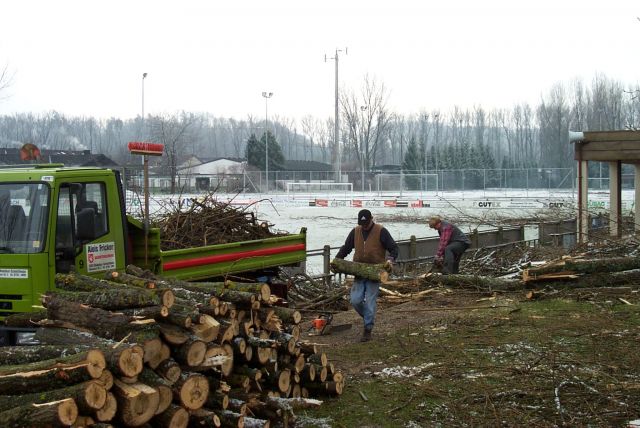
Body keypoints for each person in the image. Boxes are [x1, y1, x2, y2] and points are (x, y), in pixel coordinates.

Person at [335, 209, 398, 342]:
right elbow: (347, 247)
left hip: (375, 273)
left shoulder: (381, 231)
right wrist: (336, 260)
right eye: (362, 223)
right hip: (359, 271)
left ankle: (367, 329)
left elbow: (394, 248)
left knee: (370, 302)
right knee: (355, 300)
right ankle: (369, 317)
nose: (364, 226)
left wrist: (390, 260)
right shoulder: (355, 231)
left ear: (371, 219)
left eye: (366, 223)